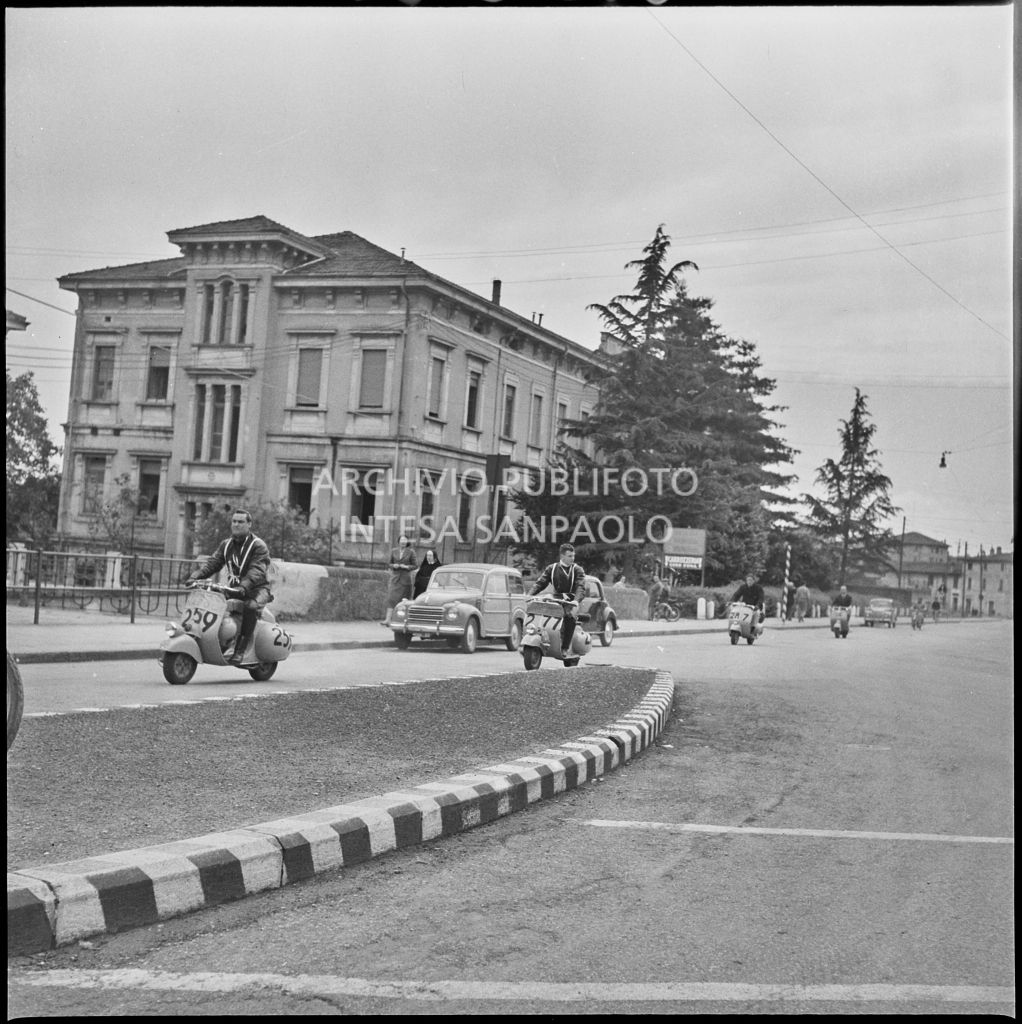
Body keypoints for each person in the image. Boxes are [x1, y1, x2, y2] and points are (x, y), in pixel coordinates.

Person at [187, 508, 272, 665]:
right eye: (234, 521)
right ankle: (221, 641)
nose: (236, 525)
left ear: (249, 524)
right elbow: (213, 564)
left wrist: (243, 587)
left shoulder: (258, 546)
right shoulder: (226, 545)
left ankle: (240, 649)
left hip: (258, 590)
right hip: (235, 589)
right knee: (212, 601)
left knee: (251, 606)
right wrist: (195, 577)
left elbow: (256, 570)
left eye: (241, 522)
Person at [530, 542, 586, 654]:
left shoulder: (577, 570)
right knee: (540, 612)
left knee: (570, 617)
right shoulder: (552, 568)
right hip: (556, 598)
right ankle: (541, 638)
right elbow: (541, 583)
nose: (572, 558)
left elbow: (581, 586)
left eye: (573, 556)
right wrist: (530, 594)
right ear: (562, 556)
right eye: (570, 556)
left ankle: (565, 647)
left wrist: (576, 601)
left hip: (571, 600)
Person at [383, 534, 417, 626]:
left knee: (404, 600)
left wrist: (406, 567)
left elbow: (415, 565)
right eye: (402, 540)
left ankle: (401, 620)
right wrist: (394, 566)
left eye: (405, 540)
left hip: (406, 579)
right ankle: (387, 620)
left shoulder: (411, 552)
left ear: (407, 542)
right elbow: (388, 563)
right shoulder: (393, 551)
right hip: (395, 579)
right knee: (391, 598)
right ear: (398, 542)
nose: (403, 542)